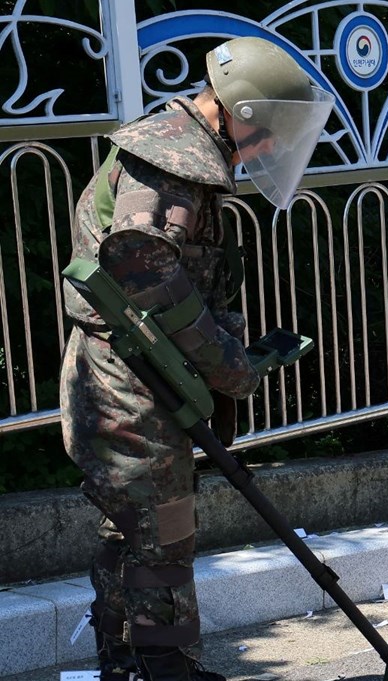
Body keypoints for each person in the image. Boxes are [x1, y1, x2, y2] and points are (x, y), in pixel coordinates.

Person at [59, 37, 333, 680]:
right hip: (128, 377)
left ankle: (128, 663)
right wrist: (226, 363)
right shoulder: (168, 162)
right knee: (162, 529)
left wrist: (221, 361)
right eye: (266, 131)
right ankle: (165, 669)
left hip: (141, 371)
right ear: (236, 111)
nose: (269, 147)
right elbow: (140, 263)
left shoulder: (182, 156)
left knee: (134, 524)